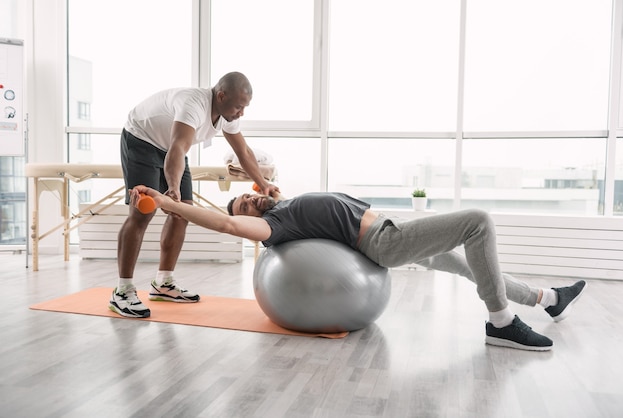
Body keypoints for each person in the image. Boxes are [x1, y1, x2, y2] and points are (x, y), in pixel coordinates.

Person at [129, 187, 586, 351]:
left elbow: (261, 182)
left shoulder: (284, 204)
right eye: (245, 204)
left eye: (248, 194)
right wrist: (170, 203)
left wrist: (262, 184)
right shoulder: (275, 223)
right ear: (252, 217)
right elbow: (226, 221)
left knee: (468, 266)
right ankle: (501, 322)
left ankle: (547, 298)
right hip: (384, 242)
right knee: (478, 223)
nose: (250, 200)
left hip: (389, 229)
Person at [110, 72, 280, 319]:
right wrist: (173, 186)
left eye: (245, 107)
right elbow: (179, 146)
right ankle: (122, 291)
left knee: (182, 211)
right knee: (142, 213)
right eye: (238, 106)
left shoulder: (227, 114)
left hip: (169, 148)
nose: (241, 113)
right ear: (221, 96)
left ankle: (163, 284)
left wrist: (263, 183)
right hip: (141, 139)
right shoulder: (194, 105)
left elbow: (242, 151)